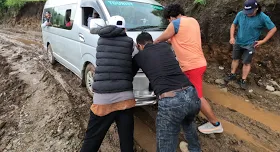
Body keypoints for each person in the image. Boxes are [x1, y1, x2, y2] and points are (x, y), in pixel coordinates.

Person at [154, 4, 223, 134]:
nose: (169, 22)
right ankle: (186, 113)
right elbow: (182, 38)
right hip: (200, 63)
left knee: (197, 96)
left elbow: (161, 38)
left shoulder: (175, 24)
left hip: (191, 66)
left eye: (168, 19)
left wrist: (151, 44)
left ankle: (215, 123)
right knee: (186, 90)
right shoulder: (193, 21)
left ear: (170, 17)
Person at [133, 32, 201, 152]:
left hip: (171, 100)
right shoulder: (165, 47)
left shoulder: (139, 56)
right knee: (188, 123)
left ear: (139, 46)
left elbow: (129, 73)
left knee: (166, 139)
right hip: (192, 94)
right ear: (152, 40)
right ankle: (195, 149)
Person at [80, 16, 135, 152]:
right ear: (124, 28)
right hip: (125, 99)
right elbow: (136, 60)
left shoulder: (101, 40)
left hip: (103, 99)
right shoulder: (129, 42)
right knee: (127, 141)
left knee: (92, 139)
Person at [225, 0, 277, 89]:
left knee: (246, 62)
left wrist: (263, 41)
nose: (248, 14)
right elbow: (233, 24)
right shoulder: (241, 14)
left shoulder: (263, 17)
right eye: (246, 11)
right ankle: (232, 74)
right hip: (238, 41)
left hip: (250, 44)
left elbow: (273, 29)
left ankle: (243, 79)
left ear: (256, 8)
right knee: (235, 59)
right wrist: (232, 37)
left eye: (250, 11)